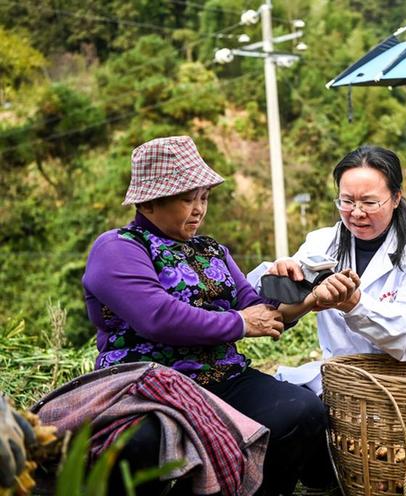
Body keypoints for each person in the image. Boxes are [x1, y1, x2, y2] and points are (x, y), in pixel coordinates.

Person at [82, 136, 357, 495]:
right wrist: (242, 323)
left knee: (300, 411)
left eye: (204, 198)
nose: (199, 209)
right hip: (149, 384)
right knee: (141, 445)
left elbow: (256, 306)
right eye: (187, 199)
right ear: (148, 204)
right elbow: (159, 317)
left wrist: (308, 297)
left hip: (222, 378)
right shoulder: (118, 248)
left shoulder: (211, 250)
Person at [268, 145, 406, 389]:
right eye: (346, 201)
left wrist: (355, 304)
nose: (356, 213)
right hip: (342, 383)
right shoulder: (322, 243)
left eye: (369, 202)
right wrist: (282, 280)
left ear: (396, 198)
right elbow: (279, 310)